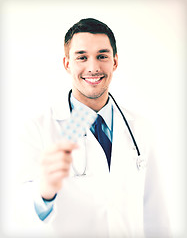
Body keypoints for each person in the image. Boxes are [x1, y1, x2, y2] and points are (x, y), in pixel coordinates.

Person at [15, 18, 171, 237]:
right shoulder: (38, 128)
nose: (93, 67)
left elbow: (156, 213)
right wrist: (45, 191)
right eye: (82, 57)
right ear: (67, 64)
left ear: (114, 62)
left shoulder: (141, 128)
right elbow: (17, 213)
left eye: (102, 56)